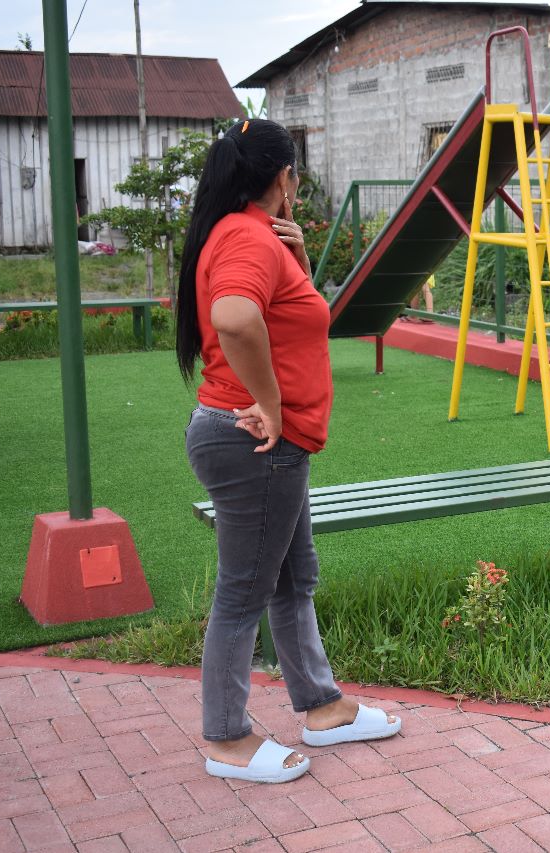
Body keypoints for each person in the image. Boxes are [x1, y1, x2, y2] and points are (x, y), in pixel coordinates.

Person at [176, 118, 401, 785]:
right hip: (254, 441)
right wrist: (271, 404)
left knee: (292, 577)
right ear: (284, 177)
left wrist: (298, 261)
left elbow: (287, 319)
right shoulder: (245, 237)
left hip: (264, 443)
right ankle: (226, 737)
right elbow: (235, 317)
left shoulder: (251, 234)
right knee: (244, 590)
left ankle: (322, 706)